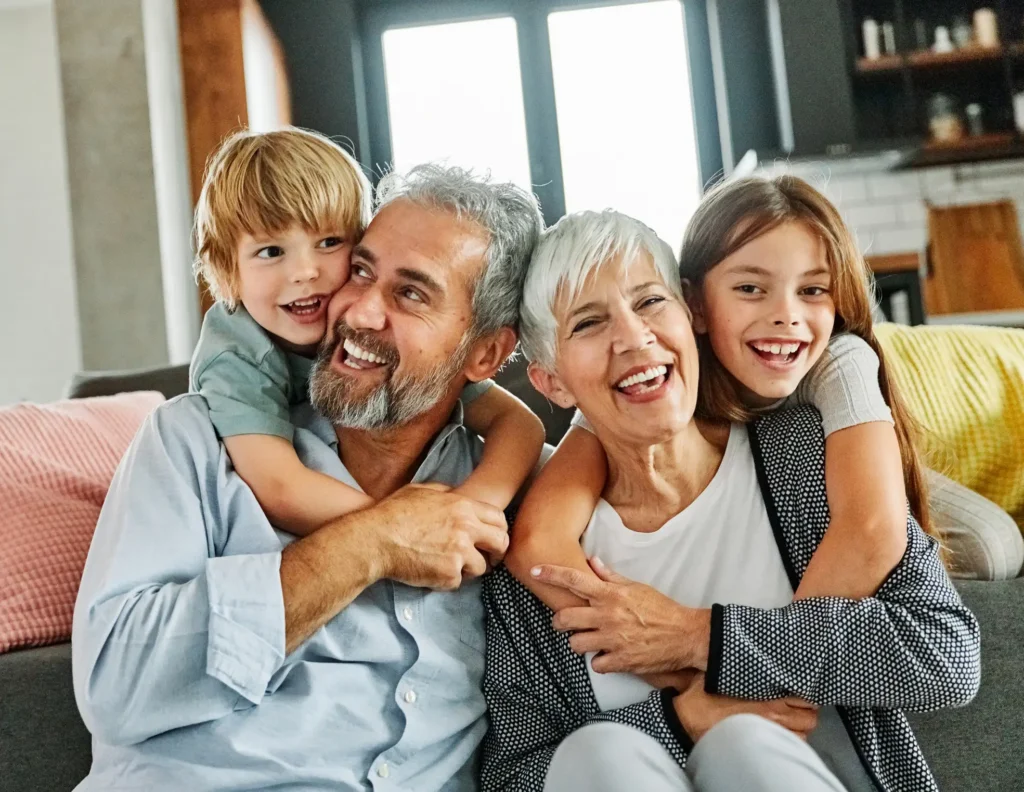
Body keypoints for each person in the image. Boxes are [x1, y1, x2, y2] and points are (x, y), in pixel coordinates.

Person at [71, 164, 544, 790]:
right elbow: (117, 686)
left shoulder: (525, 495)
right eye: (363, 270)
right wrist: (371, 542)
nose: (361, 310)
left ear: (485, 354)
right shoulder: (193, 440)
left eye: (411, 294)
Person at [482, 209, 980, 792]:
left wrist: (702, 638)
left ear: (690, 314)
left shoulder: (802, 457)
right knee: (597, 754)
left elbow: (947, 656)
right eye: (589, 324)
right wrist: (681, 720)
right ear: (552, 383)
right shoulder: (529, 563)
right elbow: (513, 776)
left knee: (743, 745)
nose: (634, 337)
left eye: (649, 303)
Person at [508, 175, 937, 610]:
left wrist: (730, 661)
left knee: (989, 545)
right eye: (750, 288)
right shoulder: (640, 388)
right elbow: (539, 539)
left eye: (811, 290)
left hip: (891, 449)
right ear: (695, 304)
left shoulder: (839, 364)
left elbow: (874, 526)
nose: (786, 316)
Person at [190, 128, 544, 536]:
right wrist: (410, 529)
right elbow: (280, 487)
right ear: (227, 271)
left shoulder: (352, 321)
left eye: (328, 243)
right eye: (271, 252)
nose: (306, 272)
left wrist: (473, 507)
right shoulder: (236, 354)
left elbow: (519, 425)